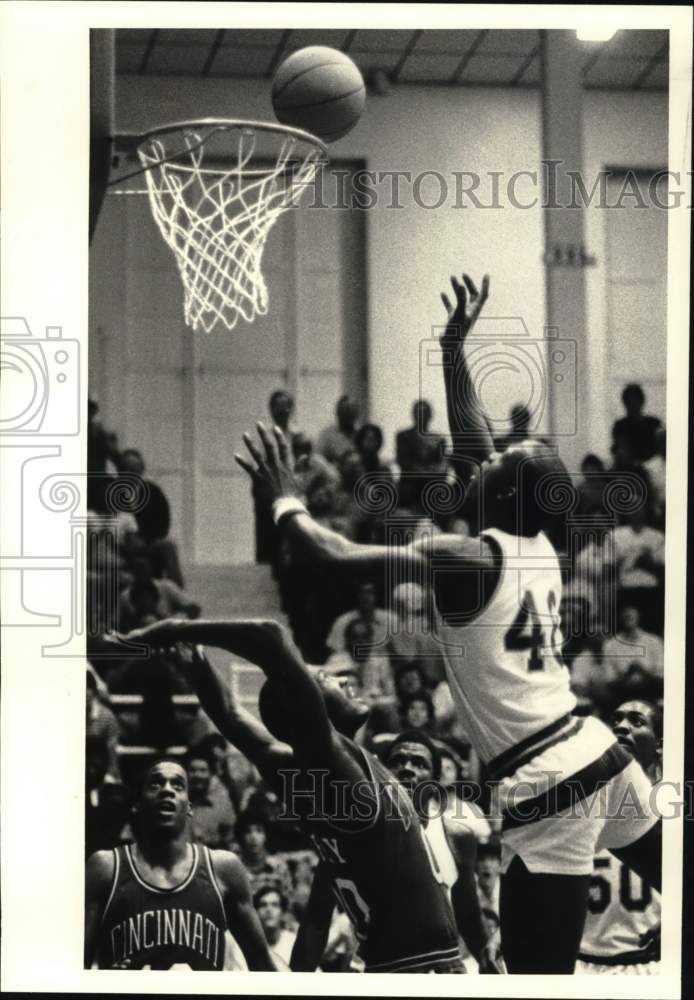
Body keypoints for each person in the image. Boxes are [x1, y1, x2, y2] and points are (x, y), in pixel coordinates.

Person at [234, 269, 662, 974]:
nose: (485, 459)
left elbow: (334, 553)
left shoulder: (464, 554)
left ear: (504, 491)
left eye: (500, 462)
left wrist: (283, 499)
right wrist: (455, 346)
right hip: (599, 751)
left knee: (535, 983)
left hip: (549, 778)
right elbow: (477, 445)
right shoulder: (539, 545)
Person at [119, 620, 466, 974]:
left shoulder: (294, 772)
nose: (345, 681)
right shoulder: (335, 768)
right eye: (327, 679)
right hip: (421, 968)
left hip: (389, 963)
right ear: (307, 706)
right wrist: (180, 629)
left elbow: (231, 714)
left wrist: (198, 664)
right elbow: (270, 635)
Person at [84, 757, 276, 970]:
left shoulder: (224, 869)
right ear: (137, 804)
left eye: (178, 785)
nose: (167, 790)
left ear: (190, 807)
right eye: (156, 783)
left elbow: (262, 962)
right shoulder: (106, 867)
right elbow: (75, 967)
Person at [384, 730, 502, 972]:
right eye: (398, 761)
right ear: (383, 774)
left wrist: (488, 961)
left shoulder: (458, 837)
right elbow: (317, 920)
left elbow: (468, 918)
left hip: (442, 968)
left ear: (435, 780)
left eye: (419, 763)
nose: (407, 768)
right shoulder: (361, 833)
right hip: (386, 969)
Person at [576, 700, 662, 974]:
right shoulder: (580, 800)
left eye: (636, 721)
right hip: (582, 962)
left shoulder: (678, 803)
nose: (621, 727)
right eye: (616, 720)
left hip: (649, 963)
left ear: (660, 744)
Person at [117, 449, 185, 588]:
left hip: (148, 544)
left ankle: (176, 593)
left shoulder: (153, 492)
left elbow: (163, 523)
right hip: (120, 546)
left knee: (168, 546)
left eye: (135, 469)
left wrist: (145, 539)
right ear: (120, 471)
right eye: (127, 469)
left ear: (142, 470)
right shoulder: (111, 492)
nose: (131, 474)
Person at [601, 606, 664, 706]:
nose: (628, 617)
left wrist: (642, 671)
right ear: (620, 618)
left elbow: (662, 677)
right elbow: (610, 681)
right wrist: (628, 674)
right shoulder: (610, 645)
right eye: (625, 614)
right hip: (622, 697)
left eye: (631, 614)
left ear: (639, 616)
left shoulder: (654, 641)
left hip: (651, 695)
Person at [395, 399, 447, 511]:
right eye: (418, 413)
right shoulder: (403, 436)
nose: (422, 417)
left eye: (425, 413)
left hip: (432, 490)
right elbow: (404, 463)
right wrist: (430, 472)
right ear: (413, 415)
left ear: (430, 416)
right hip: (410, 489)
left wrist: (430, 472)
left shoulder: (439, 439)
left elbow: (443, 467)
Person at [235, 810, 294, 900]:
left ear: (265, 836)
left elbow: (288, 901)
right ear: (241, 836)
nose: (253, 837)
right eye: (248, 832)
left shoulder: (279, 867)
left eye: (259, 831)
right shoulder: (233, 867)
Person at [186, 748, 237, 849]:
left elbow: (230, 840)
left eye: (203, 770)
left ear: (211, 774)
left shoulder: (222, 804)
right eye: (192, 770)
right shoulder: (179, 803)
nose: (197, 775)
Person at [611, 384, 663, 464]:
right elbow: (621, 451)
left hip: (654, 467)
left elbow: (661, 447)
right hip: (631, 469)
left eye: (635, 400)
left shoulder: (655, 423)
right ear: (625, 403)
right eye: (629, 401)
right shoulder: (620, 426)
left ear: (642, 401)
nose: (633, 404)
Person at [253, 886, 297, 971]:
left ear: (283, 913)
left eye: (275, 905)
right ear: (255, 913)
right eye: (263, 905)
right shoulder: (247, 944)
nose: (268, 909)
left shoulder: (294, 943)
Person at [317, 395, 360, 465]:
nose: (349, 415)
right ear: (338, 413)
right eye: (346, 411)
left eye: (352, 411)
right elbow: (318, 460)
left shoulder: (361, 435)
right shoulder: (327, 435)